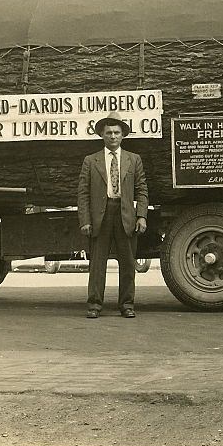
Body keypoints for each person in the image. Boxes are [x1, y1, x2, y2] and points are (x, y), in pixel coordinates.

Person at [77, 111, 149, 319]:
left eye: (117, 132)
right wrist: (85, 220)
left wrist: (141, 216)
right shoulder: (91, 161)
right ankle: (94, 305)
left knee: (128, 262)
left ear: (123, 135)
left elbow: (142, 189)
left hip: (126, 214)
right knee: (97, 263)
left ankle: (127, 304)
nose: (113, 136)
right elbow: (83, 193)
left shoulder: (133, 160)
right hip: (101, 214)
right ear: (102, 135)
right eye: (108, 132)